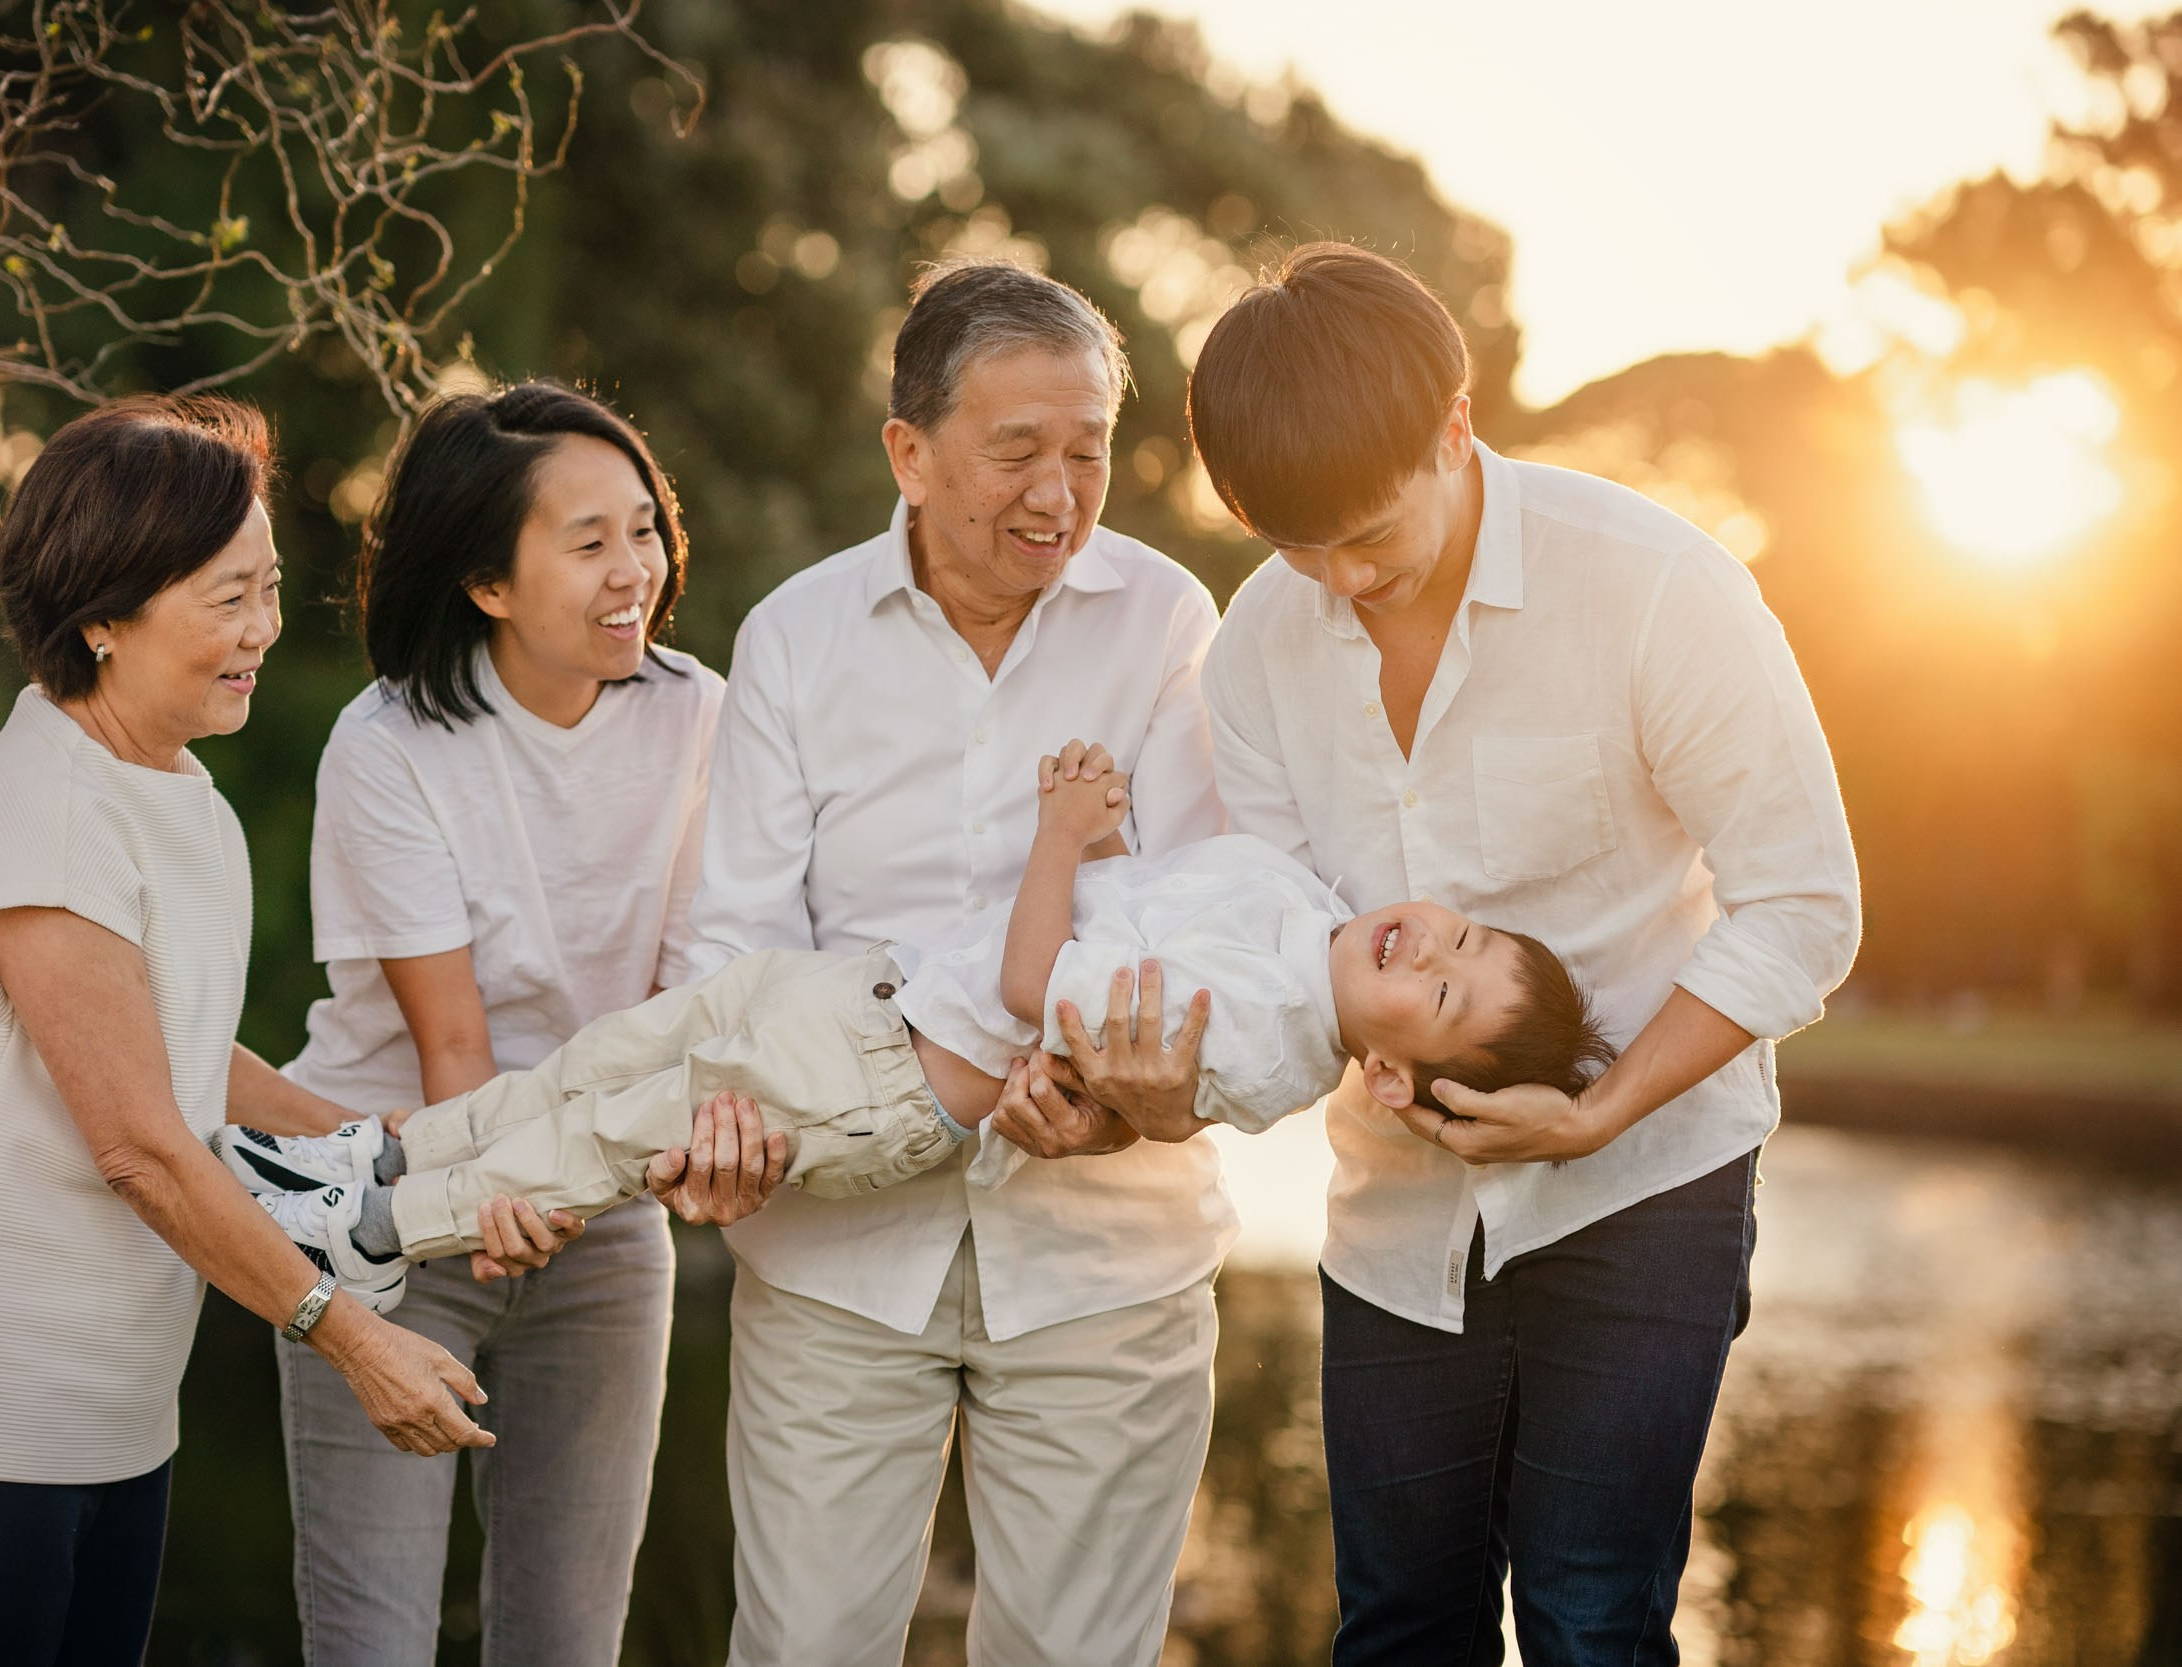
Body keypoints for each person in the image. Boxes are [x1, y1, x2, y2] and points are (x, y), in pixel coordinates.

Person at [1186, 242, 1862, 1661]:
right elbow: (1274, 925)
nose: (1340, 577)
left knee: (1591, 1621)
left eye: (1368, 532)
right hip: (1391, 1224)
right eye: (1296, 543)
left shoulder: (1659, 589)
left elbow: (1804, 905)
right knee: (1397, 1627)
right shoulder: (1256, 644)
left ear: (1456, 426)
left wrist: (1599, 1105)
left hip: (1646, 1188)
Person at [0, 397, 499, 1667]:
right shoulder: (47, 815)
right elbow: (137, 1141)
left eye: (271, 590)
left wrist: (372, 1133)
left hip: (110, 1411)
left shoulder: (174, 788)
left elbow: (175, 1051)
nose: (265, 632)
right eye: (227, 599)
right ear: (104, 616)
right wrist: (353, 1335)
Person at [685, 258, 1235, 1666]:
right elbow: (737, 944)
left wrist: (1110, 1092)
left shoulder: (1171, 620)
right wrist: (736, 1113)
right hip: (836, 1257)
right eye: (1016, 453)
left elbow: (1205, 913)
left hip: (1108, 1251)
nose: (1059, 492)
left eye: (1089, 452)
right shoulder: (795, 639)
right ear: (909, 454)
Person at [229, 739, 1612, 1278]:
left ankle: (374, 1232)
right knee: (609, 1053)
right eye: (1466, 933)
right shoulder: (1284, 890)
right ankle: (384, 1149)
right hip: (859, 991)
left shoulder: (1257, 1041)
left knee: (616, 1133)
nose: (1430, 942)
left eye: (1441, 992)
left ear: (1386, 1069)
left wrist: (1062, 831)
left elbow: (1034, 984)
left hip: (888, 1076)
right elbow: (1130, 912)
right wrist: (1108, 841)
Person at [269, 381, 772, 1667]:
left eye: (645, 529)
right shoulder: (387, 743)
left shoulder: (701, 715)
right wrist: (492, 1182)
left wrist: (634, 1165)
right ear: (489, 582)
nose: (635, 571)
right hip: (392, 1207)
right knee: (371, 1640)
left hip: (600, 1218)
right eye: (588, 539)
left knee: (565, 1641)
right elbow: (452, 1047)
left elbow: (693, 997)